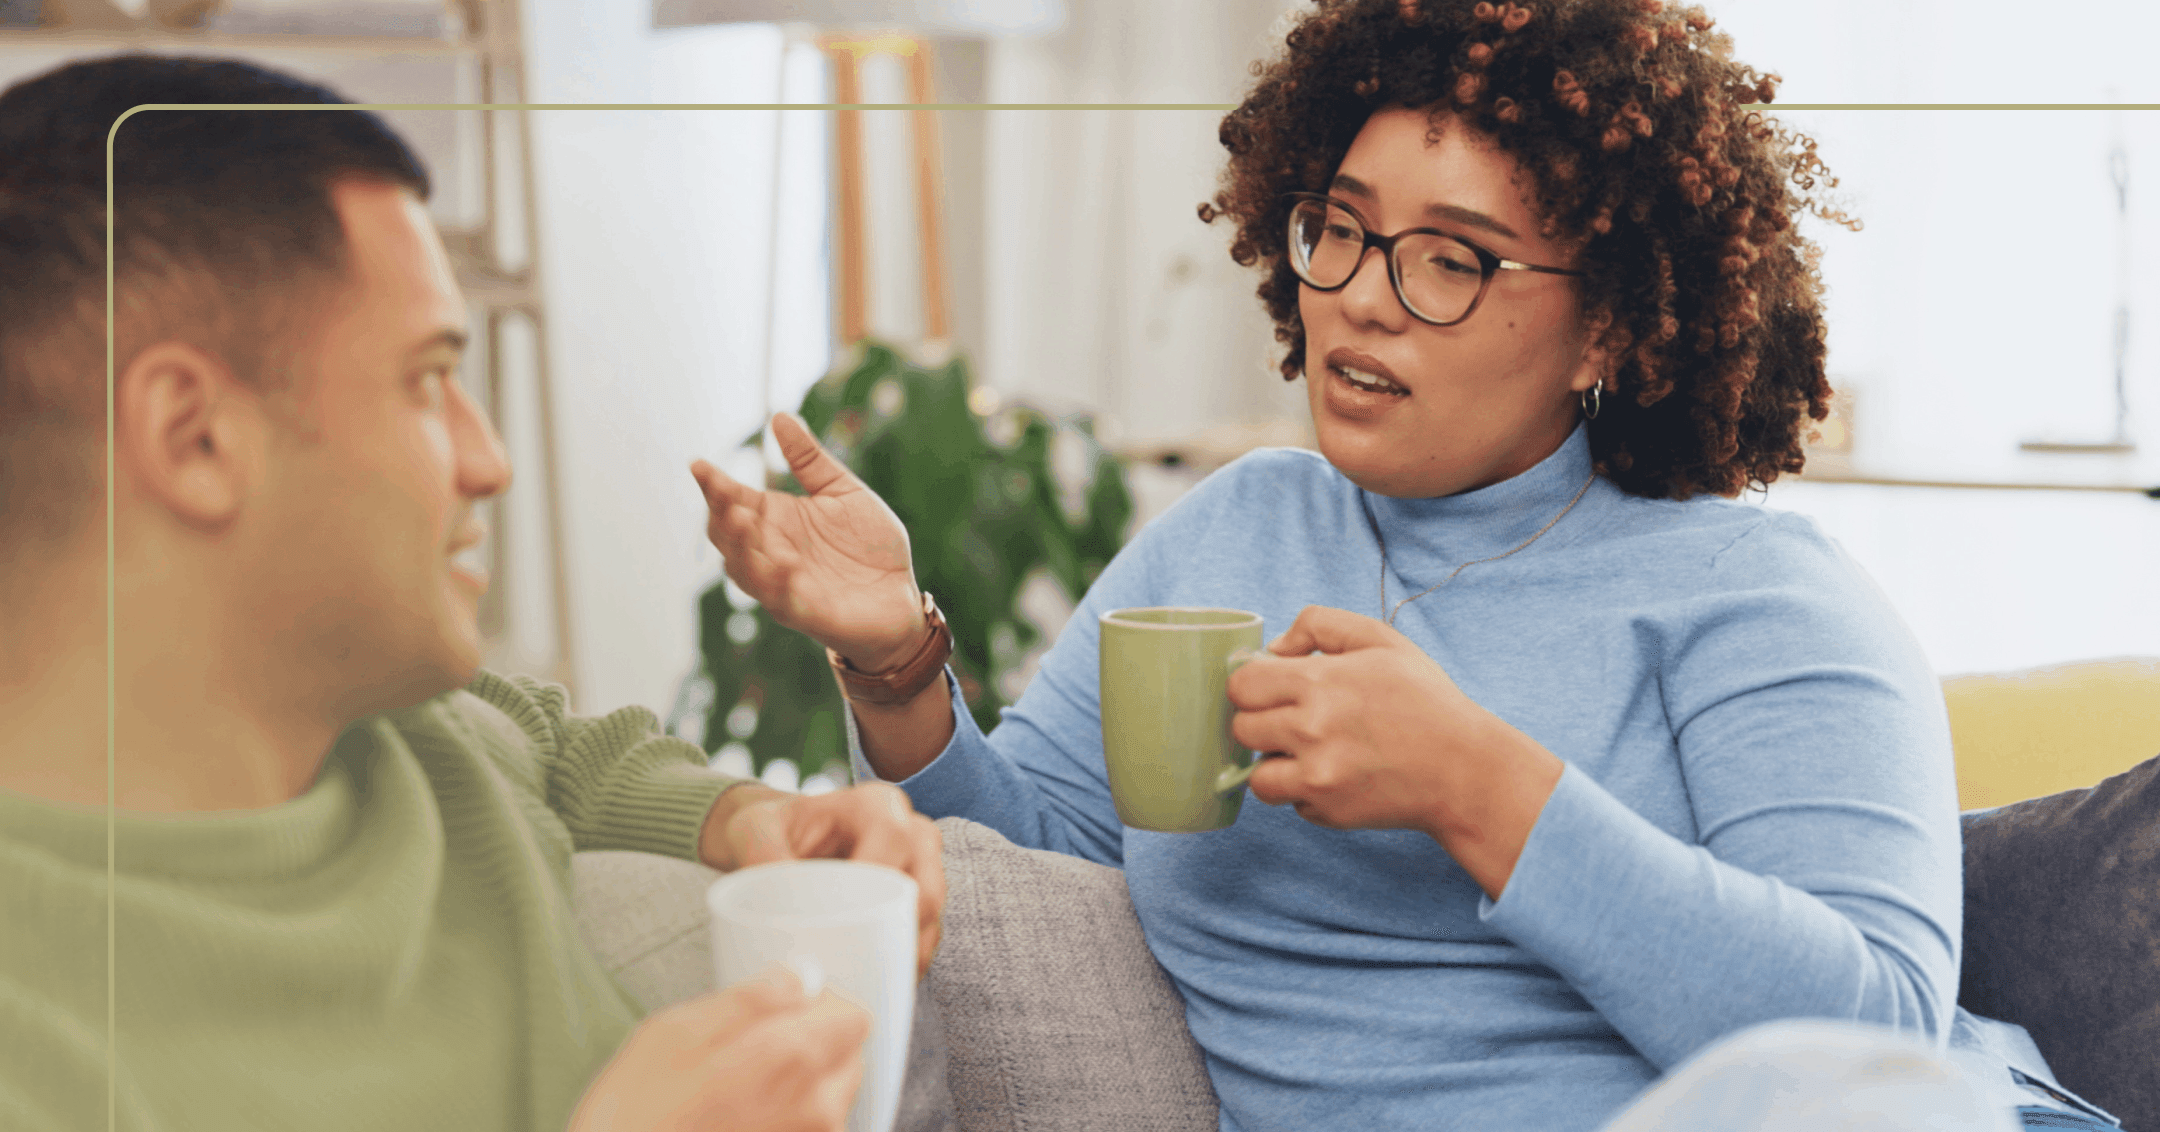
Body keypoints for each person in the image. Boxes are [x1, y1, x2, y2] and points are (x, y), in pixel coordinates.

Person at [691, 0, 2116, 1129]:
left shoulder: (1757, 593)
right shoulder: (1236, 528)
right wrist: (899, 662)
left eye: (1456, 260)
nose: (1365, 298)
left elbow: (1868, 1045)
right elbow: (1045, 856)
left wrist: (1480, 789)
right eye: (1346, 228)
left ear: (1613, 326)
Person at [0, 54, 947, 1132]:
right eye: (426, 378)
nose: (487, 456)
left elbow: (559, 746)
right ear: (194, 435)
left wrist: (757, 822)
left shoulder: (428, 740)